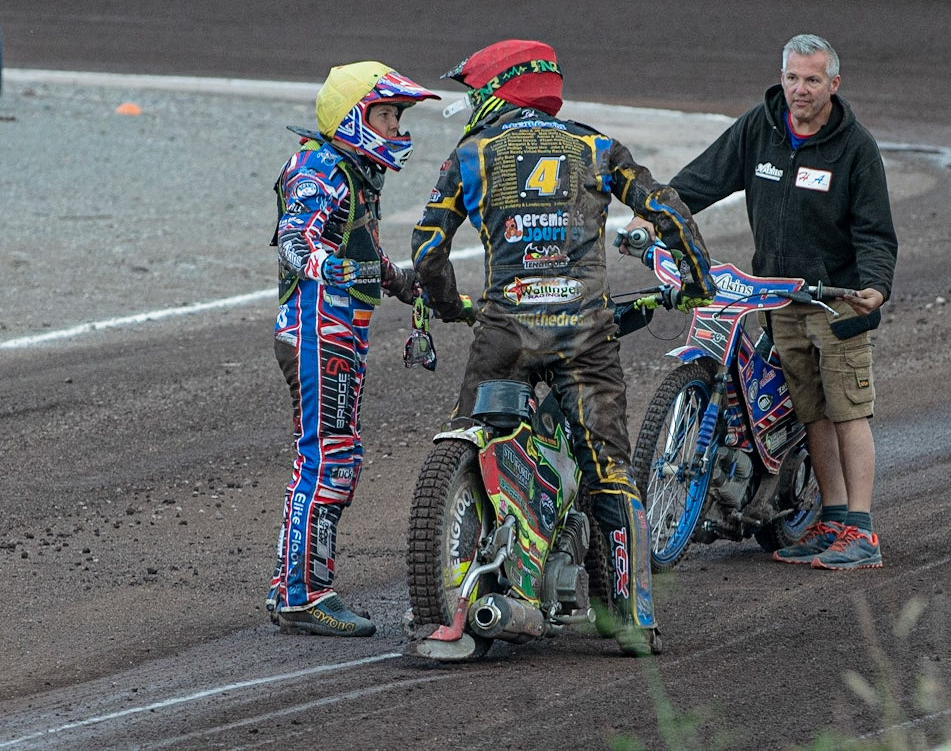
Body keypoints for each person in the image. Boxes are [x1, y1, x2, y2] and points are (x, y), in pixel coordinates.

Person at [411, 39, 717, 655]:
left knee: (474, 438)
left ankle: (480, 576)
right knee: (609, 471)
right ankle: (633, 619)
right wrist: (698, 281)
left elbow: (426, 252)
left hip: (503, 332)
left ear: (501, 88)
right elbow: (667, 210)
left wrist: (446, 307)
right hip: (583, 335)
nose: (471, 104)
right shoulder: (596, 147)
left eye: (475, 92)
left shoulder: (471, 154)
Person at [626, 33, 897, 570]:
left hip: (835, 299)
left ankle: (861, 532)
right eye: (792, 77)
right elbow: (704, 177)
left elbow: (875, 231)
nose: (800, 89)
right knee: (812, 412)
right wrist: (653, 216)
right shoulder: (762, 126)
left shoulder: (854, 146)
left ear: (834, 84)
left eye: (812, 80)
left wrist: (875, 285)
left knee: (847, 412)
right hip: (777, 296)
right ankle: (831, 520)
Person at [266, 61, 440, 635]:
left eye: (395, 116)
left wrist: (394, 278)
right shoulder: (323, 167)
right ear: (353, 116)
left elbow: (355, 239)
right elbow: (295, 243)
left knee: (333, 456)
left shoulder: (355, 169)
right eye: (386, 114)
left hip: (336, 330)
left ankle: (297, 588)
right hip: (318, 330)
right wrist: (346, 267)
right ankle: (303, 594)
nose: (395, 128)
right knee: (328, 459)